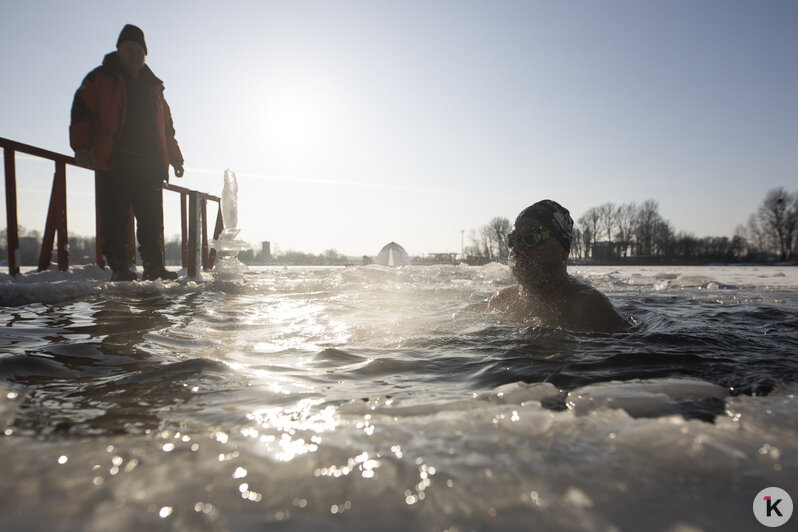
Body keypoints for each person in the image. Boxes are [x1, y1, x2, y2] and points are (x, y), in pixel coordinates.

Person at [70, 24, 184, 282]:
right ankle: (120, 268)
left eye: (139, 51)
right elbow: (80, 111)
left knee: (152, 220)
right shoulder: (100, 78)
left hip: (150, 164)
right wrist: (82, 146)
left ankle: (155, 268)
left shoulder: (155, 88)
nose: (134, 55)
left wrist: (175, 158)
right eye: (129, 49)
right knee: (115, 218)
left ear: (145, 54)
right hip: (114, 161)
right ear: (119, 50)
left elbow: (167, 128)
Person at [488, 200, 628, 332]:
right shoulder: (500, 301)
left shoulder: (590, 309)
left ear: (563, 250)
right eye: (513, 240)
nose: (517, 249)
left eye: (531, 239)